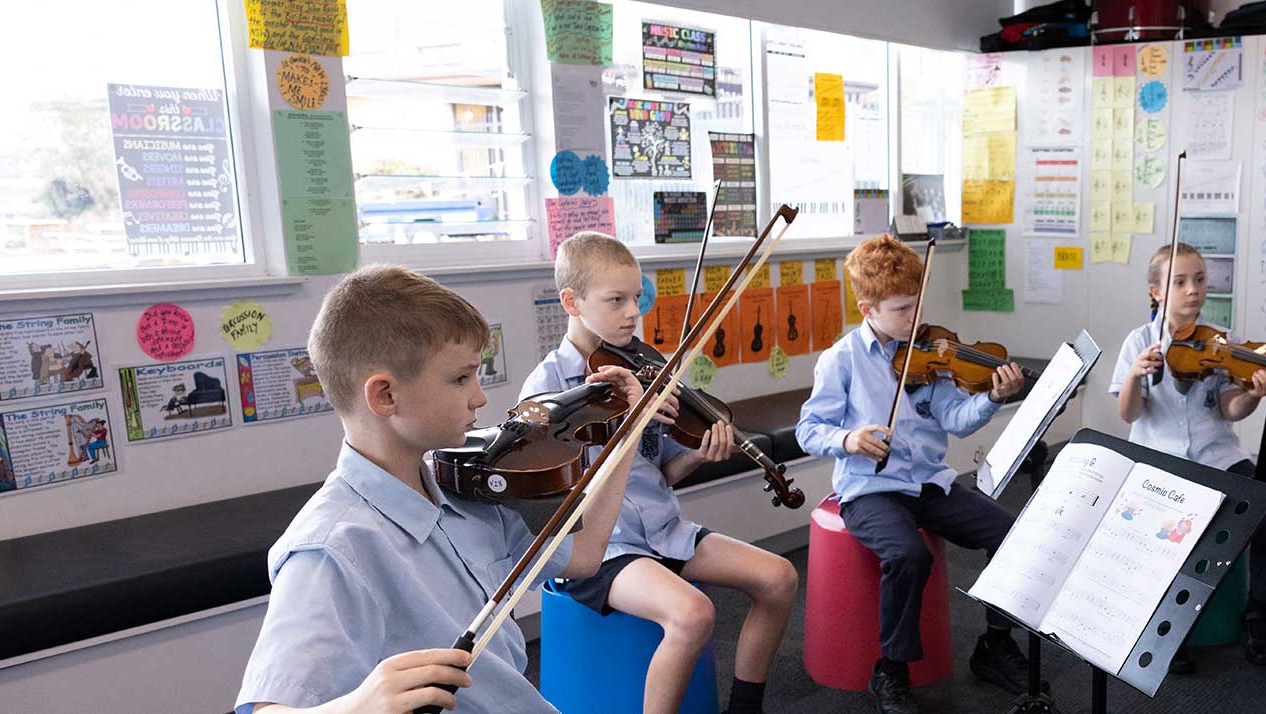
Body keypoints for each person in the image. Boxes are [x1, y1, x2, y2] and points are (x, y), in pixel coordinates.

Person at [236, 265, 639, 714]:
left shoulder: (465, 491)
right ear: (385, 396)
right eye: (460, 378)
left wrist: (628, 430)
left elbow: (583, 557)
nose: (479, 397)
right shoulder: (334, 548)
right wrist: (357, 707)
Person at [524, 232, 798, 714]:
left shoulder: (646, 366)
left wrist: (697, 454)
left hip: (662, 530)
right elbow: (545, 495)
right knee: (693, 613)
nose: (633, 313)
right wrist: (627, 422)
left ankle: (745, 707)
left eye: (636, 298)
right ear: (571, 301)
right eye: (616, 300)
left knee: (779, 577)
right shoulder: (547, 386)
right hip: (599, 550)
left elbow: (665, 473)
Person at [797, 234, 1033, 714]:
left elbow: (955, 420)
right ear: (868, 308)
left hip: (927, 482)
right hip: (870, 489)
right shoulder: (841, 360)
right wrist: (848, 439)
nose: (916, 318)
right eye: (903, 309)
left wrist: (991, 398)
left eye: (918, 304)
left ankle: (993, 644)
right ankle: (892, 669)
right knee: (908, 554)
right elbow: (809, 429)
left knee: (1013, 533)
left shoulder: (933, 352)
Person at [1109, 243, 1266, 671]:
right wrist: (1136, 375)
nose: (1193, 290)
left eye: (1200, 280)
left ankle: (1258, 611)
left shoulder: (1223, 343)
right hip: (1160, 460)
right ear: (1156, 291)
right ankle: (1165, 623)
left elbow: (1230, 410)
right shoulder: (1139, 342)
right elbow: (1128, 413)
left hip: (1219, 455)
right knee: (1168, 530)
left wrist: (1252, 393)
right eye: (1180, 282)